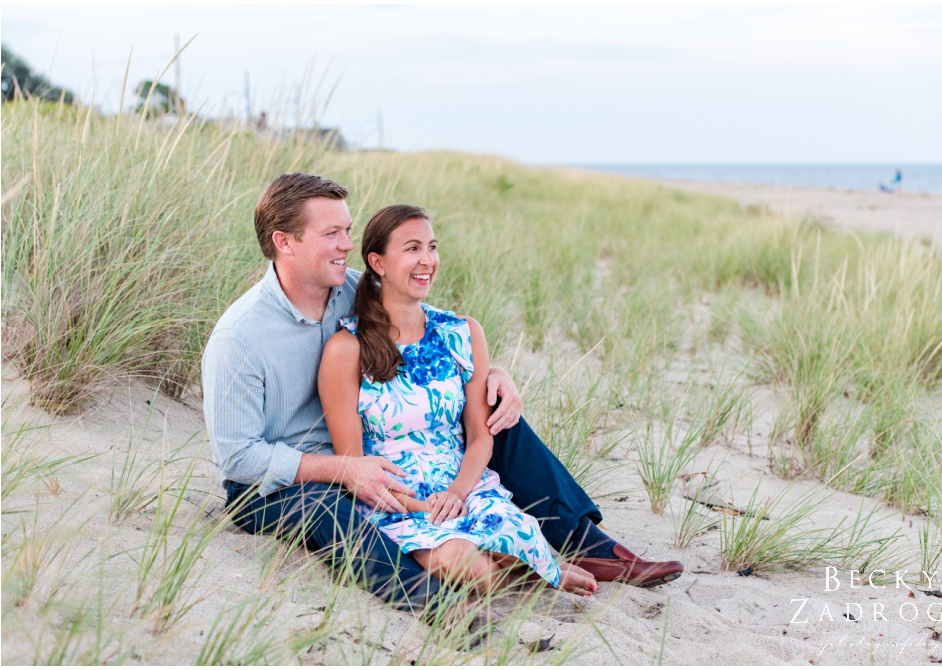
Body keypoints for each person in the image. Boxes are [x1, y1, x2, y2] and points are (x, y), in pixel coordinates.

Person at [201, 173, 683, 616]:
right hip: (284, 482)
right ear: (284, 242)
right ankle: (434, 600)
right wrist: (341, 469)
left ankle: (589, 545)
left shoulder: (354, 289)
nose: (347, 244)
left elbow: (432, 337)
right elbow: (237, 457)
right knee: (332, 510)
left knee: (495, 419)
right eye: (332, 235)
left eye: (348, 231)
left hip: (374, 454)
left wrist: (493, 372)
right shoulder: (240, 338)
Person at [319, 205, 600, 597]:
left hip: (463, 485)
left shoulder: (462, 332)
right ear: (377, 262)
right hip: (397, 500)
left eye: (432, 247)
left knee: (514, 536)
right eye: (413, 248)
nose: (427, 261)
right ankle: (541, 573)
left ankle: (537, 562)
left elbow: (480, 436)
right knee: (470, 568)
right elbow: (354, 468)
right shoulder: (346, 349)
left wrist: (457, 494)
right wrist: (426, 508)